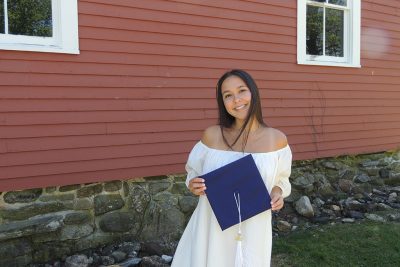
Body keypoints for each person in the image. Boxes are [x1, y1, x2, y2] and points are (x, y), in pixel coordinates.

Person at [171, 69, 292, 267]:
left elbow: (281, 179)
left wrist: (278, 193)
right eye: (228, 95)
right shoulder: (211, 136)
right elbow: (193, 172)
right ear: (222, 102)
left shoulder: (277, 140)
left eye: (242, 90)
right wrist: (193, 184)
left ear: (253, 92)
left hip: (254, 227)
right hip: (212, 225)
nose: (236, 100)